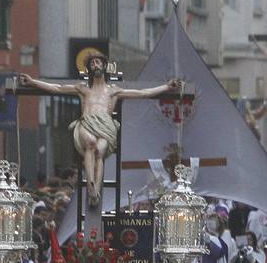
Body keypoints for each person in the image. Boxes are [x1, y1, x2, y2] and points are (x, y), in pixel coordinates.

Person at [19, 55, 180, 208]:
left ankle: (96, 188)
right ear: (89, 69)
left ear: (104, 65)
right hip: (87, 123)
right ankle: (91, 185)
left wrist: (166, 87)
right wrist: (33, 82)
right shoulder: (83, 89)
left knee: (99, 151)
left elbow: (143, 93)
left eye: (98, 62)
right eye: (92, 63)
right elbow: (57, 88)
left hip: (105, 127)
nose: (95, 65)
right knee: (90, 144)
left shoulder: (113, 91)